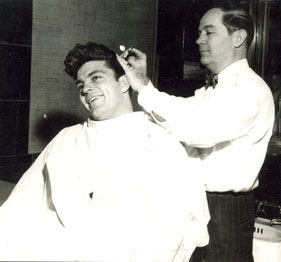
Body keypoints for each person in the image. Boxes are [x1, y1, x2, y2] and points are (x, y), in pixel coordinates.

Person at [0, 42, 210, 261]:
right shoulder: (67, 139)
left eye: (96, 77)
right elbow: (20, 208)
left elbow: (180, 228)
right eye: (80, 85)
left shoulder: (159, 142)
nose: (85, 88)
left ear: (124, 83)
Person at [117, 6, 275, 262]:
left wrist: (143, 89)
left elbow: (196, 130)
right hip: (198, 203)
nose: (198, 39)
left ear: (238, 38)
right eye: (199, 32)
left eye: (209, 32)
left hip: (224, 212)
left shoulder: (249, 90)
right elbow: (178, 113)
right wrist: (143, 83)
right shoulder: (215, 89)